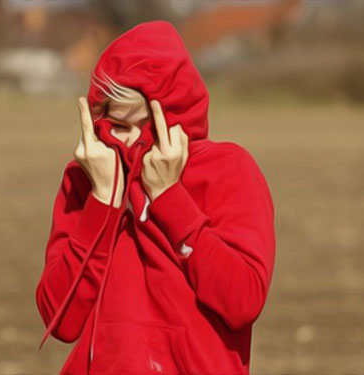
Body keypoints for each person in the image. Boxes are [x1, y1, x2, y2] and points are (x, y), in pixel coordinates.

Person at [35, 20, 276, 375]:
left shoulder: (228, 169)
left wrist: (167, 197)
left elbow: (243, 300)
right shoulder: (84, 178)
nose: (128, 142)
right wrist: (102, 202)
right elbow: (62, 320)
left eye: (143, 125)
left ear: (175, 116)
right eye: (116, 126)